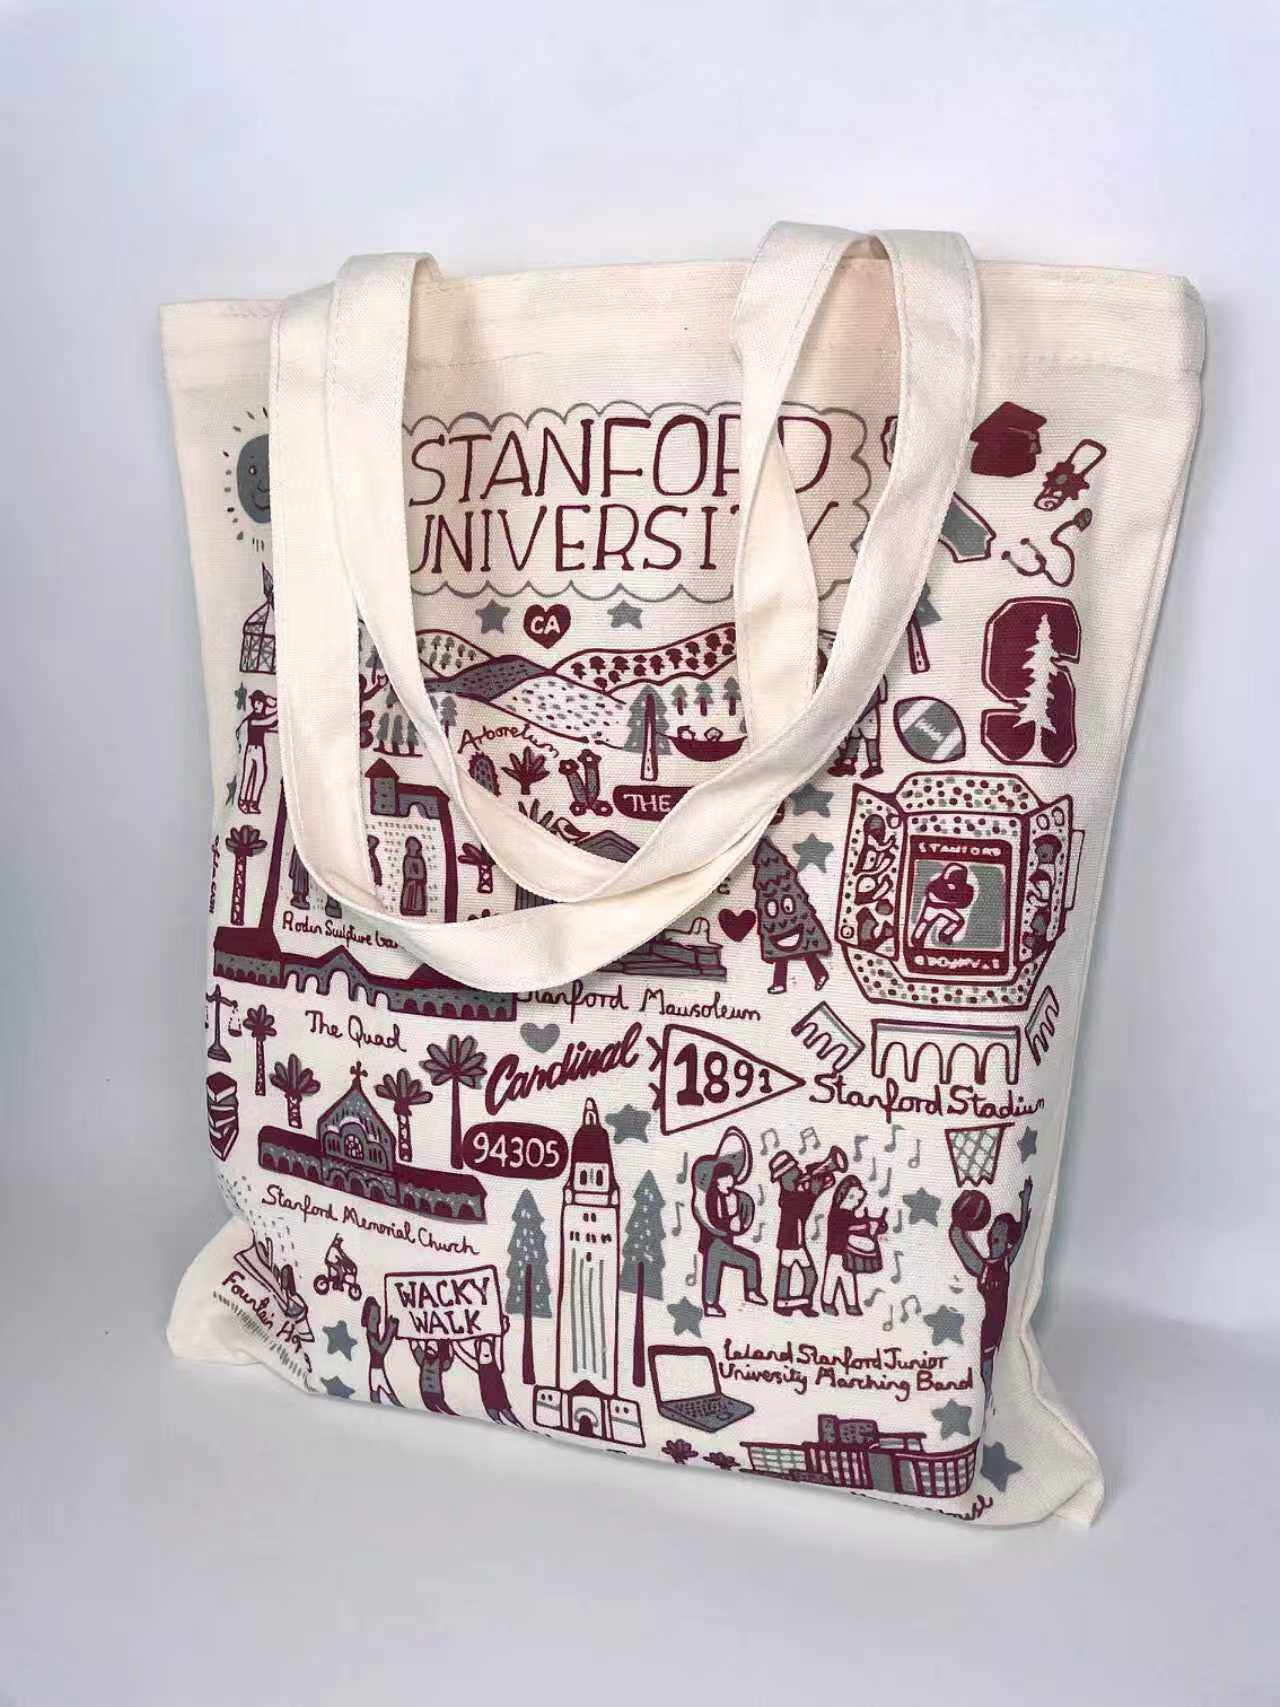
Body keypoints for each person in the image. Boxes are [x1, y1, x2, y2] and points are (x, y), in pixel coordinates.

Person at [949, 1178, 1033, 1406]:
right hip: (990, 1324)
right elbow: (959, 1242)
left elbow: (1023, 1234)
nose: (994, 1231)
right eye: (995, 1227)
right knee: (986, 1367)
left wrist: (1025, 1202)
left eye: (1000, 1229)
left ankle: (997, 1398)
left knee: (999, 1367)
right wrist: (960, 1217)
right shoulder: (984, 1267)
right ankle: (986, 1398)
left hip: (1003, 1322)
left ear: (1006, 1239)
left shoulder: (1005, 1262)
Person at [691, 1127, 766, 1318]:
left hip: (724, 1242)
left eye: (732, 1179)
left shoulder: (732, 1197)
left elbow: (738, 1218)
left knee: (749, 1261)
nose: (731, 1182)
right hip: (714, 1243)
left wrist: (738, 1222)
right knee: (715, 1268)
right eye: (726, 1179)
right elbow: (710, 1218)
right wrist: (728, 1225)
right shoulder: (711, 1198)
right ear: (717, 1181)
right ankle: (711, 1303)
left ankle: (750, 1292)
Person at [770, 1150, 839, 1317]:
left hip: (796, 1243)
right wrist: (814, 1190)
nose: (799, 1172)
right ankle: (786, 1303)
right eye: (794, 1171)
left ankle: (794, 1303)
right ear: (785, 1177)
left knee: (803, 1274)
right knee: (803, 1274)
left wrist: (816, 1186)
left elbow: (806, 1203)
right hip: (790, 1243)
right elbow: (803, 1208)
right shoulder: (787, 1197)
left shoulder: (794, 1192)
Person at [821, 1176, 886, 1316]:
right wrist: (867, 1226)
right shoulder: (837, 1213)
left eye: (858, 1200)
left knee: (848, 1278)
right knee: (832, 1278)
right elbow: (848, 1227)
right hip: (836, 1252)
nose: (855, 1203)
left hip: (845, 1252)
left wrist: (871, 1225)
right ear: (841, 1195)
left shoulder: (848, 1213)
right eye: (852, 1198)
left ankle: (850, 1304)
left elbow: (856, 1223)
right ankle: (828, 1302)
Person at [455, 1326, 522, 1427]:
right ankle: (508, 1423)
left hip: (501, 1401)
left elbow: (498, 1345)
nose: (485, 1352)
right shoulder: (479, 1366)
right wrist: (454, 1341)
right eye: (482, 1350)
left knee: (509, 1416)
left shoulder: (497, 1365)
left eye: (488, 1350)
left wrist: (500, 1331)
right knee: (497, 1418)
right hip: (490, 1403)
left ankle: (517, 1424)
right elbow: (462, 1354)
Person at [910, 862, 975, 948]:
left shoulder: (967, 889)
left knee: (959, 921)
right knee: (925, 922)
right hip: (932, 908)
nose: (949, 885)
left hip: (946, 908)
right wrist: (950, 904)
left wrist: (948, 904)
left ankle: (944, 936)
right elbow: (932, 898)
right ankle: (917, 941)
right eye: (947, 881)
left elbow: (964, 904)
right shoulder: (936, 883)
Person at [234, 691, 277, 814]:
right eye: (255, 703)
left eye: (259, 702)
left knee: (260, 776)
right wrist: (278, 709)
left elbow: (270, 722)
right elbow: (268, 721)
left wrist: (270, 700)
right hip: (251, 750)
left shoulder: (261, 717)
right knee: (247, 776)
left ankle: (253, 803)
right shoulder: (251, 719)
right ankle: (242, 801)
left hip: (260, 750)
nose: (256, 705)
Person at [361, 1296, 401, 1406]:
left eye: (378, 1316)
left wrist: (389, 1329)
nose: (377, 1320)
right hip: (376, 1370)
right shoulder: (371, 1335)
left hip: (377, 1369)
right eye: (373, 1317)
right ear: (367, 1318)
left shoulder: (375, 1333)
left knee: (379, 1394)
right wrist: (390, 1331)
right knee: (384, 1394)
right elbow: (381, 1350)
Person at [410, 1337, 454, 1414]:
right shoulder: (423, 1360)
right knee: (432, 1408)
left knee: (444, 1408)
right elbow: (416, 1350)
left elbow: (447, 1363)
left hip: (436, 1393)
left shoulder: (439, 1362)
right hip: (426, 1392)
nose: (430, 1352)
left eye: (432, 1349)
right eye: (429, 1349)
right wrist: (412, 1339)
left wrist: (449, 1348)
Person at [400, 836, 428, 916]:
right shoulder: (407, 858)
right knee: (409, 898)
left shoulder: (420, 859)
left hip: (418, 884)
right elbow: (407, 872)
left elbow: (422, 873)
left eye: (415, 844)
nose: (413, 847)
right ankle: (407, 910)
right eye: (411, 845)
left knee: (418, 898)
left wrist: (418, 877)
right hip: (410, 883)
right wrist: (414, 877)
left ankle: (418, 910)